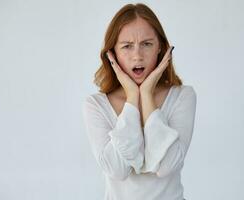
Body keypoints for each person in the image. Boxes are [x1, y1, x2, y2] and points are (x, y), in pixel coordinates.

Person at [82, 3, 197, 200]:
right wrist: (132, 100)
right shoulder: (95, 105)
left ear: (160, 47)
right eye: (127, 46)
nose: (137, 55)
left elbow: (166, 166)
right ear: (113, 53)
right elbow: (118, 170)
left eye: (147, 44)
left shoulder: (182, 96)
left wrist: (146, 95)